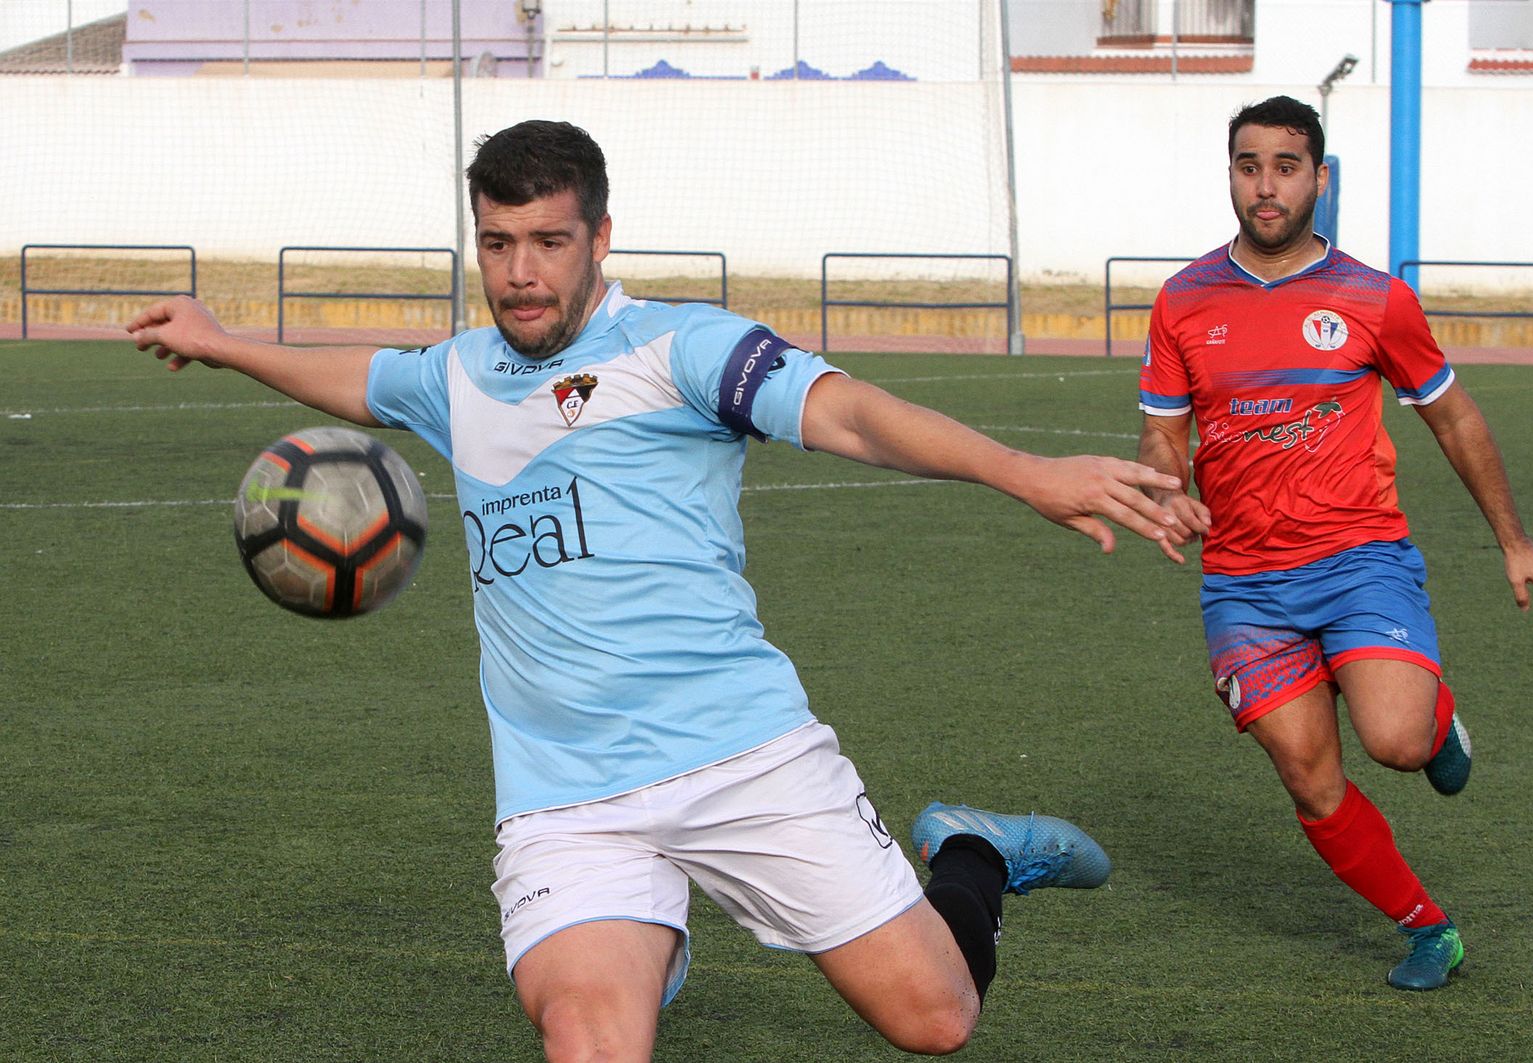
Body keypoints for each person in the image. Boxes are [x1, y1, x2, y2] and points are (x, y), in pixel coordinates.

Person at [130, 119, 1189, 1059]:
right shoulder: (457, 375)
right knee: (591, 1038)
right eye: (497, 244)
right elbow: (360, 380)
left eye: (548, 241)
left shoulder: (682, 348)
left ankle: (969, 851)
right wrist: (221, 344)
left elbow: (850, 414)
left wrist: (1024, 471)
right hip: (566, 797)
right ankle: (641, 936)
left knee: (935, 1018)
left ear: (598, 238)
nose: (520, 273)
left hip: (738, 755)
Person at [1136, 96, 1533, 992]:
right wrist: (1167, 489)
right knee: (1308, 777)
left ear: (1319, 180)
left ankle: (1439, 721)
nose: (1267, 185)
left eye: (1287, 167)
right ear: (1230, 175)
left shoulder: (1373, 297)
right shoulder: (1181, 301)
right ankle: (1428, 927)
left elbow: (1451, 416)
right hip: (1245, 583)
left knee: (1398, 742)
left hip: (1358, 559)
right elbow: (1162, 433)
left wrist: (1514, 540)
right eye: (1249, 165)